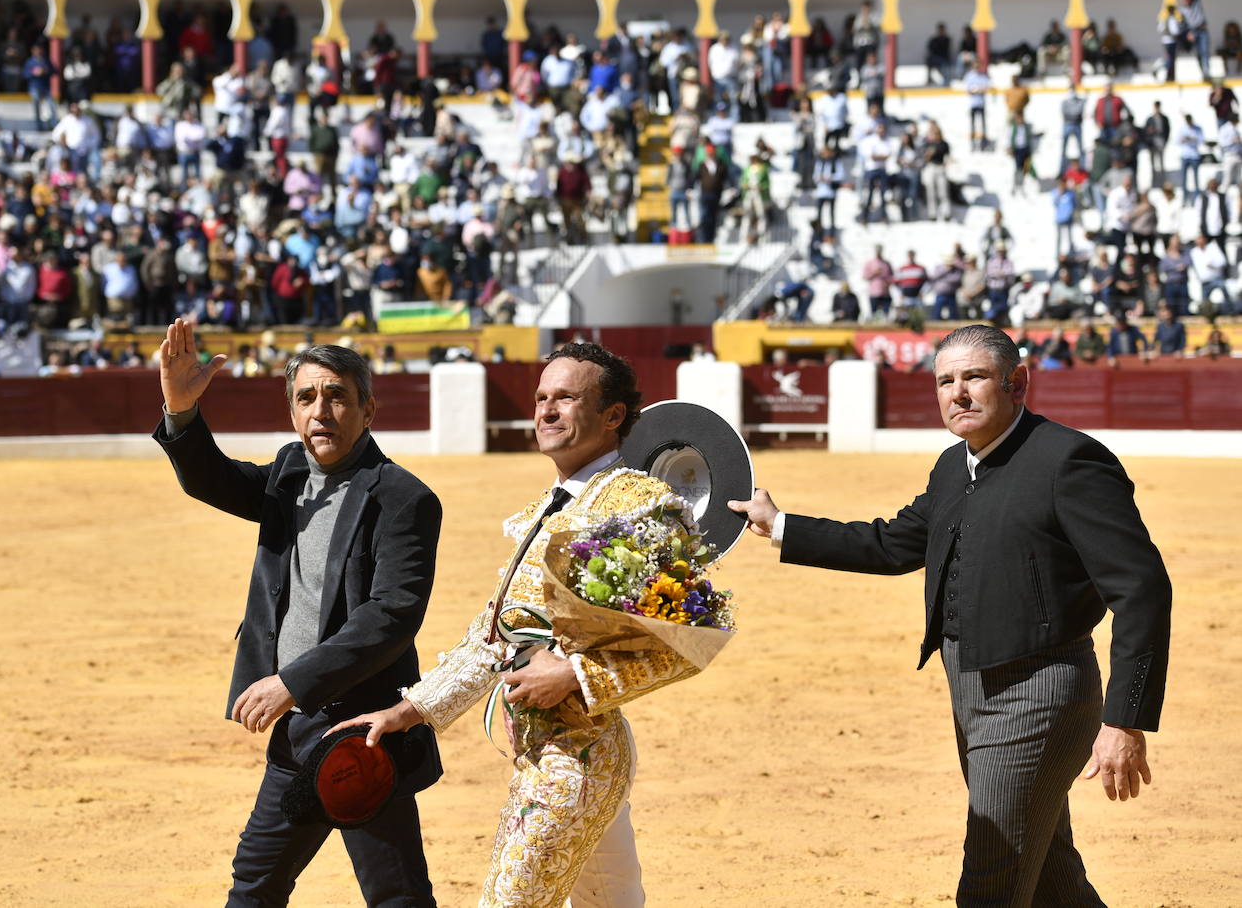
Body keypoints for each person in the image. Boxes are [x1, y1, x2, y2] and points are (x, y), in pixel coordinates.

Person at [729, 324, 1171, 908]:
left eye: (974, 377)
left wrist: (1125, 720)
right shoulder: (951, 466)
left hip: (1041, 689)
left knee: (994, 874)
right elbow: (890, 545)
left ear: (1017, 383)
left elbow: (1141, 589)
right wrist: (782, 525)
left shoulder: (1070, 460)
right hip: (968, 684)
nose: (957, 393)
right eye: (945, 381)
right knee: (1046, 873)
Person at [332, 342, 703, 906]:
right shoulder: (545, 509)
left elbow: (684, 640)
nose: (546, 411)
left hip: (574, 763)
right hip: (547, 752)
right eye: (541, 399)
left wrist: (576, 674)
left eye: (566, 398)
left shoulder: (643, 503)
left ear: (613, 415)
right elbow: (493, 639)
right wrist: (407, 711)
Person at [154, 324, 443, 907]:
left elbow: (391, 617)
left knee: (395, 894)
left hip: (365, 731)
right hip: (295, 731)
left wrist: (291, 681)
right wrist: (181, 411)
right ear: (291, 412)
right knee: (255, 883)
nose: (321, 411)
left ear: (368, 408)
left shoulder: (404, 498)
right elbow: (212, 479)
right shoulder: (289, 474)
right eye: (306, 398)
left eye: (336, 395)